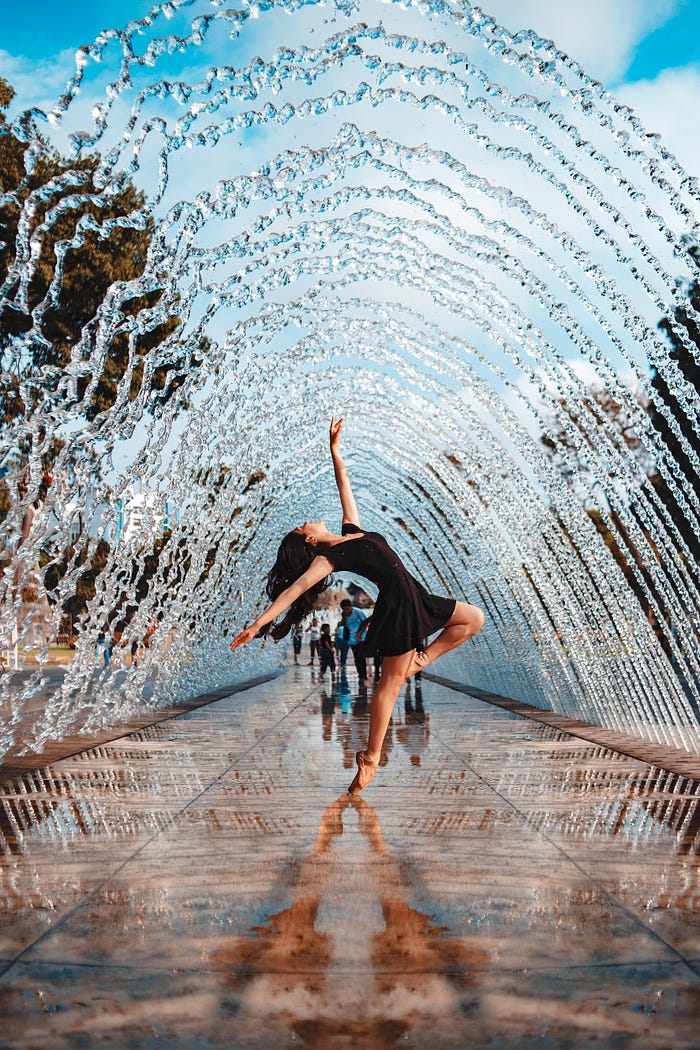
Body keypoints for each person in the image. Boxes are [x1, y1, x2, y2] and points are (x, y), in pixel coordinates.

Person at [230, 417, 485, 795]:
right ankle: (369, 759)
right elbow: (293, 591)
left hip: (415, 593)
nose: (306, 521)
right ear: (312, 542)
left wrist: (334, 450)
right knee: (391, 685)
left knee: (473, 619)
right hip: (398, 605)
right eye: (303, 528)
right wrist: (257, 624)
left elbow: (344, 484)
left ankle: (421, 660)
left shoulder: (351, 530)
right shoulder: (327, 559)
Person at [339, 598, 367, 682]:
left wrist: (359, 634)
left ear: (351, 606)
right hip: (351, 639)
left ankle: (364, 675)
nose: (347, 611)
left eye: (347, 609)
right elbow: (343, 625)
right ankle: (360, 675)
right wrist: (344, 617)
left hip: (361, 638)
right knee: (356, 658)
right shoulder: (344, 614)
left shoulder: (358, 612)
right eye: (344, 609)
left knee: (361, 656)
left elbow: (364, 623)